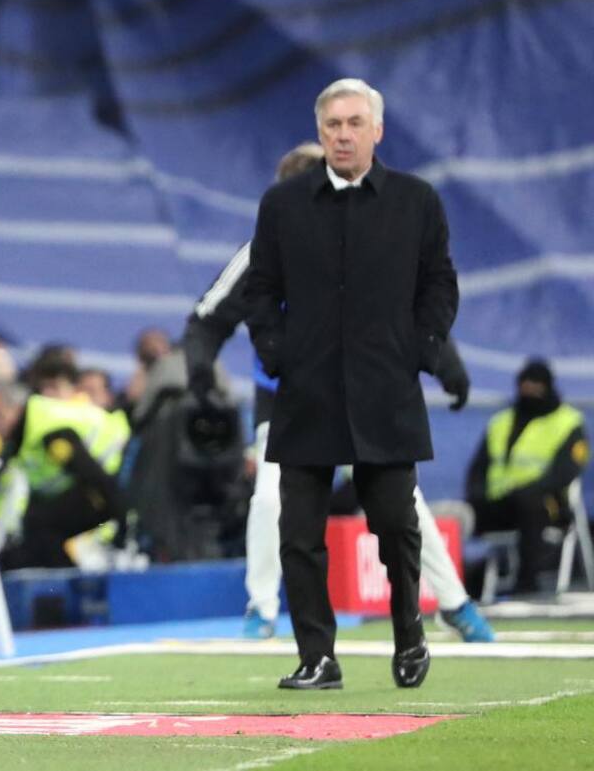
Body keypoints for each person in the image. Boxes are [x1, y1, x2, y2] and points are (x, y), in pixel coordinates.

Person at [185, 142, 493, 643]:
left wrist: (446, 364)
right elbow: (208, 318)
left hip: (363, 397)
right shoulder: (262, 252)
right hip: (290, 403)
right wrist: (199, 370)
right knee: (271, 500)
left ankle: (454, 603)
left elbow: (413, 309)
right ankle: (261, 607)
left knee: (404, 504)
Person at [245, 78, 459, 690]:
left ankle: (409, 634)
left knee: (397, 526)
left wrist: (418, 352)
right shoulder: (282, 204)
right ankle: (317, 657)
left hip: (385, 394)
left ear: (377, 131)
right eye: (333, 124)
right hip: (306, 395)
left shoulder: (416, 201)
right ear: (320, 132)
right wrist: (278, 355)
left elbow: (439, 284)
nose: (343, 134)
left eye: (354, 123)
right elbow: (260, 290)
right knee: (297, 535)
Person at [0, 356, 129, 570]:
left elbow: (94, 475)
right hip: (102, 487)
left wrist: (123, 525)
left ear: (15, 409)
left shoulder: (50, 432)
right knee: (36, 525)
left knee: (41, 524)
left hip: (118, 481)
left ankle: (64, 581)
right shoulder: (24, 434)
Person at [466, 359, 588, 594]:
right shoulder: (501, 422)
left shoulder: (568, 422)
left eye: (536, 386)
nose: (530, 392)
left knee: (529, 503)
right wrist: (476, 495)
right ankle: (460, 584)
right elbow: (478, 469)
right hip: (501, 502)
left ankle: (528, 583)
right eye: (526, 386)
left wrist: (530, 489)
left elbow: (565, 471)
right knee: (460, 512)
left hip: (547, 503)